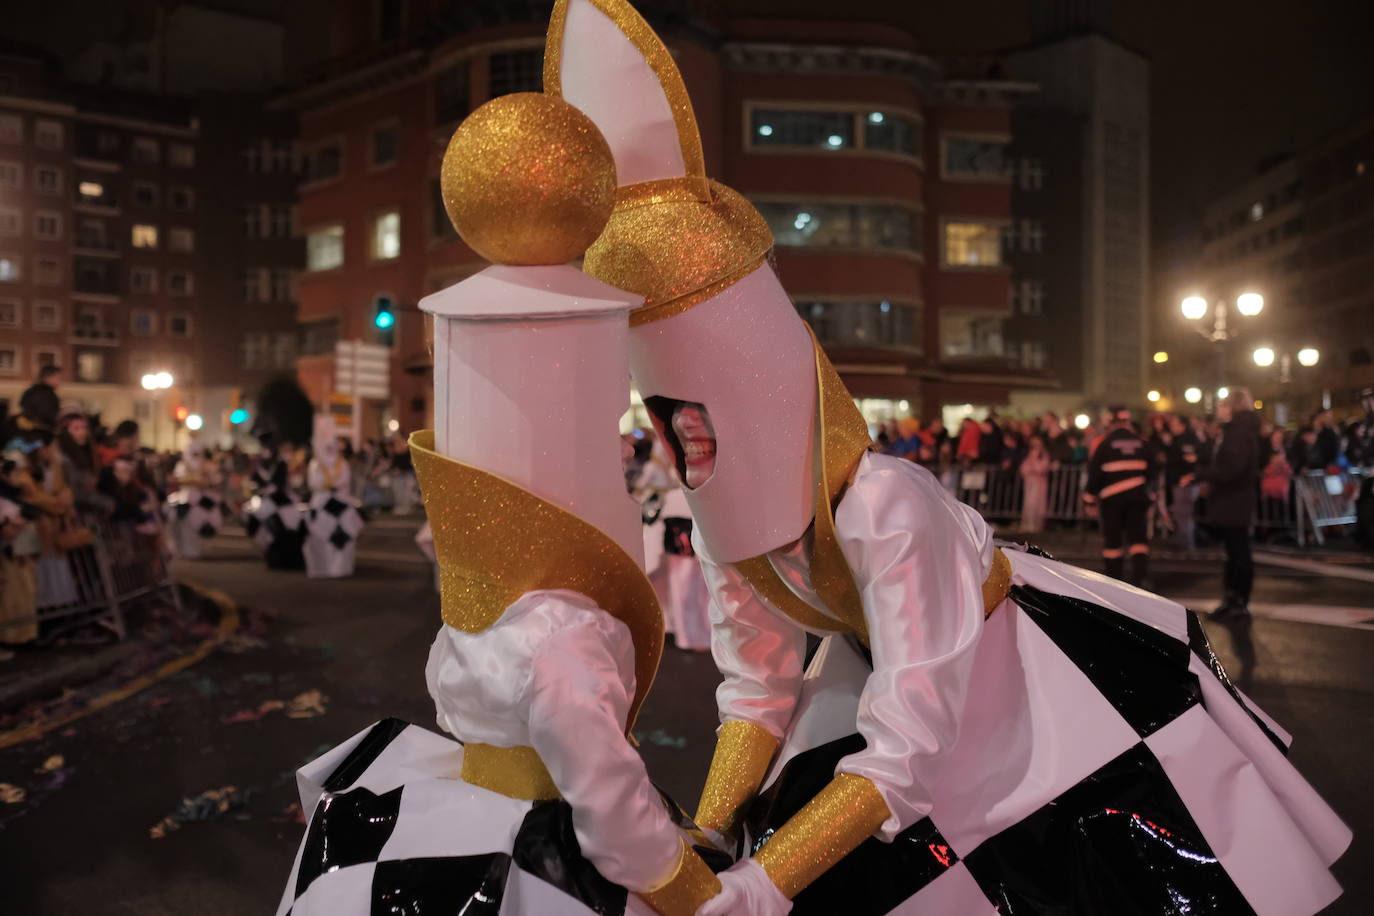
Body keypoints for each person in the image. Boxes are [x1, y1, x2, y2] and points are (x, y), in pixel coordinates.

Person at [553, 4, 1350, 911]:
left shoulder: (886, 504)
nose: (690, 440)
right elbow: (758, 688)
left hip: (1039, 689)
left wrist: (759, 888)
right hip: (896, 684)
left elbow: (909, 737)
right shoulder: (725, 516)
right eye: (669, 419)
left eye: (700, 413)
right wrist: (713, 831)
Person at [277, 91, 722, 916]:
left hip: (463, 800)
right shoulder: (560, 636)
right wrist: (706, 896)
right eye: (607, 411)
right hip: (535, 852)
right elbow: (617, 820)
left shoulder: (493, 605)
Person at [1195, 389, 1262, 618]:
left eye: (1223, 405)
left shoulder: (1238, 432)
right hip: (1235, 498)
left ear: (1232, 407)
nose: (1219, 410)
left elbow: (1231, 469)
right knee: (1235, 550)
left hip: (1234, 499)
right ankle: (1234, 598)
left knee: (1238, 551)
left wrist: (1204, 473)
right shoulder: (1239, 431)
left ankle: (1238, 601)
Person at [1082, 407, 1152, 586]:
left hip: (1112, 501)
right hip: (1137, 499)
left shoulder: (1104, 444)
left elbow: (1095, 475)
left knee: (1113, 541)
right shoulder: (1142, 443)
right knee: (1138, 540)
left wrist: (1089, 500)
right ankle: (1140, 578)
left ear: (1111, 423)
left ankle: (1114, 581)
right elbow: (1152, 471)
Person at [302, 420, 365, 578]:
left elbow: (344, 481)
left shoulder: (342, 464)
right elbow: (314, 483)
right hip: (320, 504)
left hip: (341, 504)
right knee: (320, 537)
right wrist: (328, 487)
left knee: (344, 537)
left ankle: (341, 569)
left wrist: (332, 488)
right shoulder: (315, 464)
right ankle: (323, 569)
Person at [163, 438, 225, 559]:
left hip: (203, 502)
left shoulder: (209, 465)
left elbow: (216, 481)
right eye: (193, 453)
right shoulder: (182, 465)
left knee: (201, 527)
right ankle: (186, 550)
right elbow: (177, 480)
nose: (196, 456)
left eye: (198, 453)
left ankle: (198, 550)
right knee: (183, 527)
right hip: (184, 501)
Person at [1017, 433, 1053, 533]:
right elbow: (1024, 466)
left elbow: (1043, 467)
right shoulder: (1030, 453)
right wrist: (1028, 470)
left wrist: (1035, 469)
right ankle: (1027, 523)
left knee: (1037, 502)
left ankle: (1037, 524)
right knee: (1028, 502)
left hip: (1039, 482)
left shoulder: (1043, 454)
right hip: (1030, 481)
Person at [17, 365, 62, 433]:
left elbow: (22, 403)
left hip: (29, 431)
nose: (60, 382)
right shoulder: (44, 394)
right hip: (38, 432)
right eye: (58, 378)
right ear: (47, 378)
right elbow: (46, 415)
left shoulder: (33, 391)